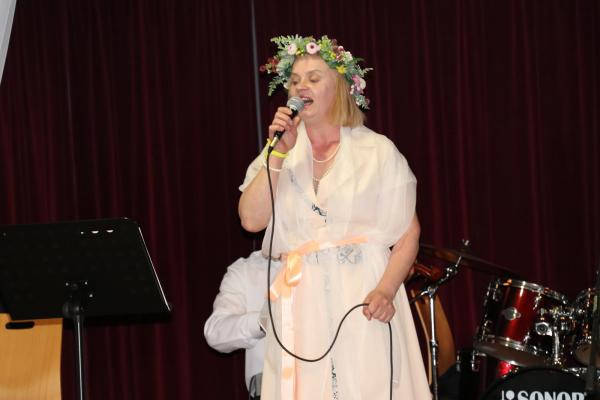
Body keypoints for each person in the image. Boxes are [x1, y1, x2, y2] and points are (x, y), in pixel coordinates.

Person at [238, 35, 430, 399]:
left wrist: (386, 290)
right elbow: (250, 220)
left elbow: (408, 234)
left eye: (313, 78)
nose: (301, 87)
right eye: (295, 80)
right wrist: (277, 154)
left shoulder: (376, 151)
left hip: (364, 296)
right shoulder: (279, 152)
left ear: (340, 88)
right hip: (303, 301)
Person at [204, 251, 281, 399]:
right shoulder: (246, 270)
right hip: (268, 392)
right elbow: (215, 331)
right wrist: (263, 321)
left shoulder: (325, 259)